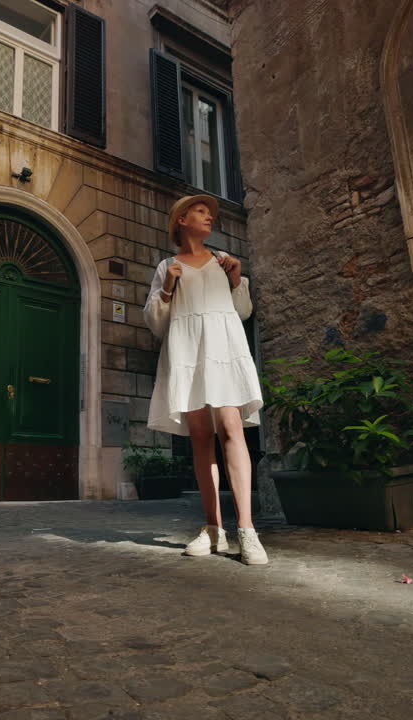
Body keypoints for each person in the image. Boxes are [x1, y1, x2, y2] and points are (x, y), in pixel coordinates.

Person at [144, 194, 268, 565]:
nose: (209, 217)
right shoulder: (167, 265)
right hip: (187, 349)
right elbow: (155, 324)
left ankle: (246, 530)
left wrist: (236, 280)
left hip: (221, 347)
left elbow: (243, 312)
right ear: (181, 219)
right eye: (201, 211)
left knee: (231, 428)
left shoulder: (223, 261)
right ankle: (214, 529)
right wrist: (167, 287)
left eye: (210, 213)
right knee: (200, 438)